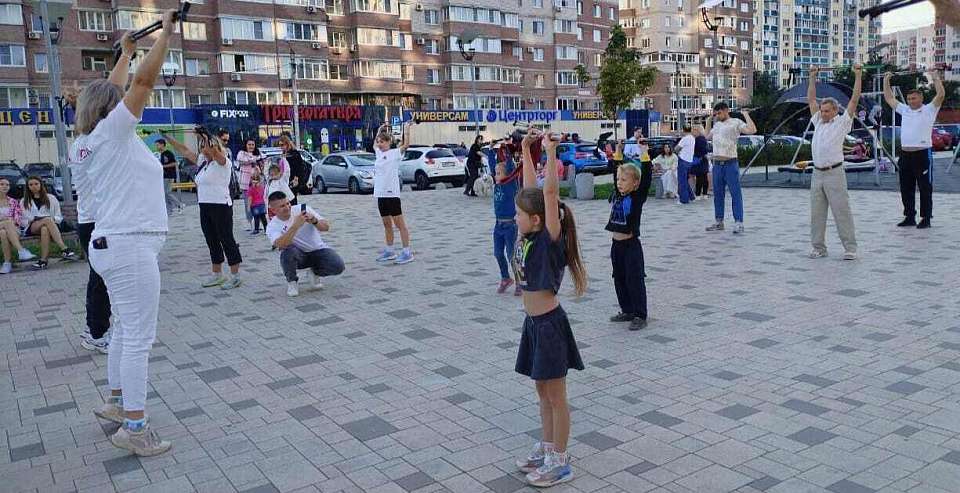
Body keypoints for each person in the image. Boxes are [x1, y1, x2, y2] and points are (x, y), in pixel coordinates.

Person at [72, 13, 177, 456]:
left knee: (122, 331)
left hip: (111, 245)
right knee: (137, 337)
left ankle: (118, 404)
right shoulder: (115, 133)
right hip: (129, 245)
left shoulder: (88, 140)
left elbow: (112, 91)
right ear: (110, 110)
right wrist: (168, 32)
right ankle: (135, 428)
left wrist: (125, 53)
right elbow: (142, 86)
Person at [513, 128, 586, 487]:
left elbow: (547, 193)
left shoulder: (548, 239)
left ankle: (561, 459)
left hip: (550, 326)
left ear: (538, 219)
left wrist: (551, 151)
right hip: (533, 324)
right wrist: (527, 150)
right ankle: (546, 447)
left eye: (520, 215)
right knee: (542, 391)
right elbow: (531, 193)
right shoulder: (526, 236)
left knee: (556, 395)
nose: (516, 217)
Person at [64, 77, 112, 354]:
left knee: (100, 277)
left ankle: (95, 327)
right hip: (95, 221)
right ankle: (96, 331)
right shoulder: (91, 142)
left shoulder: (82, 141)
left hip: (91, 219)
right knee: (100, 279)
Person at [162, 130, 243, 289]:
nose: (202, 149)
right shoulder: (203, 162)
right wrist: (167, 137)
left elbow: (214, 151)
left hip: (221, 206)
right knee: (211, 240)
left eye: (204, 146)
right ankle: (217, 274)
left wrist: (206, 137)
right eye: (201, 146)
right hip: (205, 205)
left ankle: (235, 276)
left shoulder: (223, 162)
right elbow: (184, 150)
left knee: (226, 239)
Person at [807, 65, 861, 261]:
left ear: (836, 110)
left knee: (841, 212)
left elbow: (854, 99)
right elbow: (811, 99)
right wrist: (813, 78)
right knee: (817, 214)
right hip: (817, 174)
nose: (823, 113)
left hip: (834, 173)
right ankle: (819, 248)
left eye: (827, 111)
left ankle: (850, 248)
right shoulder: (818, 122)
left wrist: (857, 75)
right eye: (822, 111)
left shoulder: (842, 122)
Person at [883, 70, 944, 229]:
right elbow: (889, 98)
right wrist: (886, 80)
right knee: (906, 186)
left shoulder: (930, 109)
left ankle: (926, 218)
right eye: (909, 98)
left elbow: (941, 95)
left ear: (921, 98)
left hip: (922, 153)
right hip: (905, 155)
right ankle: (909, 216)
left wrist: (935, 77)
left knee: (925, 187)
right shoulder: (905, 110)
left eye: (914, 98)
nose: (910, 100)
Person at [266, 192, 345, 297]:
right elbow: (281, 244)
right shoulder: (273, 226)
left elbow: (326, 227)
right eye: (282, 206)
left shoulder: (302, 209)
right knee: (287, 251)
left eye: (287, 203)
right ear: (273, 210)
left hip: (317, 250)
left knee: (338, 266)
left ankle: (314, 272)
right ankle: (292, 282)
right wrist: (295, 226)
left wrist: (314, 220)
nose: (287, 207)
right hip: (298, 255)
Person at [606, 162, 648, 330]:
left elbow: (646, 180)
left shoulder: (637, 197)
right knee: (619, 278)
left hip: (631, 246)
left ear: (635, 183)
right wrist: (617, 152)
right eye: (618, 179)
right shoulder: (618, 194)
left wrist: (644, 154)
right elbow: (614, 169)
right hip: (616, 246)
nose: (619, 183)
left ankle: (640, 315)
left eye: (624, 180)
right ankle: (627, 310)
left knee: (634, 280)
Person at [705, 103, 757, 233]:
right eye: (715, 114)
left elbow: (752, 130)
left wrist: (746, 114)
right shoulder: (716, 125)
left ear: (726, 110)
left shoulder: (735, 122)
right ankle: (719, 222)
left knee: (735, 194)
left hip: (730, 164)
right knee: (718, 195)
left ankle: (739, 222)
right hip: (717, 165)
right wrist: (709, 121)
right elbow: (706, 137)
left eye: (719, 113)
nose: (717, 116)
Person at [374, 122, 414, 264]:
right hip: (380, 194)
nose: (379, 144)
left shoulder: (395, 153)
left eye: (382, 142)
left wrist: (407, 129)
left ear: (389, 142)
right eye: (378, 142)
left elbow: (406, 145)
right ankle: (389, 250)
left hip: (392, 194)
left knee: (399, 224)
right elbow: (375, 142)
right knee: (386, 224)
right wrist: (380, 129)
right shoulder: (378, 153)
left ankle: (407, 252)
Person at [20, 177, 79, 269]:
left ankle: (43, 261)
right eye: (31, 185)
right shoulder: (24, 201)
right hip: (32, 226)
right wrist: (37, 219)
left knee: (45, 228)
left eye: (36, 184)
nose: (34, 186)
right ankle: (64, 248)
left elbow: (58, 216)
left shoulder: (51, 198)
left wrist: (50, 220)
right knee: (47, 220)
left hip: (51, 225)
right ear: (27, 187)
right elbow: (23, 219)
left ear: (41, 185)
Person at [492, 156, 521, 295]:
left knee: (511, 255)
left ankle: (520, 281)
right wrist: (492, 150)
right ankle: (505, 278)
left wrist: (509, 152)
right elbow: (493, 163)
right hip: (498, 226)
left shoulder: (510, 186)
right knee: (498, 253)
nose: (495, 175)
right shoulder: (497, 185)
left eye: (498, 173)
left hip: (510, 226)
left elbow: (510, 169)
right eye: (495, 173)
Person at [0, 177, 36, 274]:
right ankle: (21, 250)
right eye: (2, 184)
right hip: (5, 225)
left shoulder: (13, 202)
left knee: (3, 233)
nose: (5, 186)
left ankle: (7, 264)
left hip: (12, 229)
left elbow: (18, 218)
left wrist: (12, 220)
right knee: (6, 223)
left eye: (7, 185)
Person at [235, 139, 263, 231]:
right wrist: (253, 159)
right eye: (249, 144)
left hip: (257, 183)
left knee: (259, 203)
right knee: (248, 204)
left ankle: (258, 223)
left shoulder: (258, 153)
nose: (251, 146)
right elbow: (242, 161)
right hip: (246, 184)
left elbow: (262, 161)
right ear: (246, 145)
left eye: (253, 144)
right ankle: (250, 223)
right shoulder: (241, 153)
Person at [156, 139, 182, 215]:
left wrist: (163, 166)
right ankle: (169, 210)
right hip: (164, 176)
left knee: (167, 192)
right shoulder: (160, 154)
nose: (157, 146)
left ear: (162, 145)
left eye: (157, 145)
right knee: (165, 194)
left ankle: (179, 204)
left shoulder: (168, 153)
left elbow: (175, 163)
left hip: (170, 175)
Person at [675, 125, 697, 203]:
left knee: (682, 181)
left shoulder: (684, 139)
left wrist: (678, 152)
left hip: (683, 160)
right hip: (689, 161)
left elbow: (677, 148)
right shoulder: (692, 138)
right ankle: (691, 196)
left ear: (683, 130)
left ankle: (683, 200)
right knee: (685, 180)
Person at [692, 125, 710, 199]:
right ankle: (704, 194)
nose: (692, 131)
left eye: (694, 130)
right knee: (704, 177)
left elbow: (702, 150)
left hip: (699, 160)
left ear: (698, 131)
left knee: (700, 178)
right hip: (703, 160)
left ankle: (698, 194)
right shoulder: (703, 139)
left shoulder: (699, 139)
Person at [247, 171, 267, 235]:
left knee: (256, 217)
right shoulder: (261, 187)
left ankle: (256, 229)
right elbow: (264, 196)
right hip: (262, 204)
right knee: (263, 217)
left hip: (254, 205)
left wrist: (248, 207)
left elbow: (250, 198)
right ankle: (266, 228)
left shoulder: (250, 189)